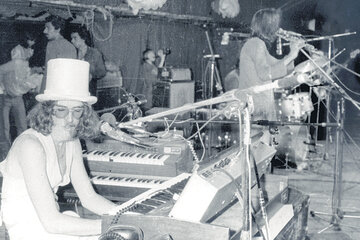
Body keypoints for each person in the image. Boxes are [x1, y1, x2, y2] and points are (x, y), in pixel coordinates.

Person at [0, 58, 118, 240]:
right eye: (62, 110)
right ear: (47, 110)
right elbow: (51, 222)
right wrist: (111, 226)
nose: (70, 119)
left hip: (51, 223)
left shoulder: (71, 142)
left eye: (77, 110)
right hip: (26, 228)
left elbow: (88, 198)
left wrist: (125, 216)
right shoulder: (31, 145)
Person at [238, 8, 309, 122]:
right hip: (256, 107)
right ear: (268, 25)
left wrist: (293, 51)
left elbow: (279, 67)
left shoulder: (255, 44)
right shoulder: (256, 44)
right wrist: (291, 55)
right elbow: (265, 74)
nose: (278, 29)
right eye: (276, 24)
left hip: (258, 106)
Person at [0, 43, 42, 143]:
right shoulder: (16, 62)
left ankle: (20, 147)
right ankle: (5, 153)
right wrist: (2, 87)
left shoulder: (25, 64)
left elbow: (23, 80)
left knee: (21, 125)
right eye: (29, 48)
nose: (31, 51)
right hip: (6, 98)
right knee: (5, 127)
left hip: (18, 98)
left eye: (32, 48)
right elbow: (0, 70)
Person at [40, 15, 77, 93]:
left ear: (58, 30)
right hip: (48, 93)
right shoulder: (50, 44)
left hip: (59, 94)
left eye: (48, 28)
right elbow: (47, 74)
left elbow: (65, 77)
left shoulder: (67, 47)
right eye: (45, 28)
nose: (44, 31)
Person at [71, 26, 106, 96]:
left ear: (83, 38)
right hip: (73, 89)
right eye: (71, 38)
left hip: (89, 90)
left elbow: (102, 72)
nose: (72, 41)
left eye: (75, 38)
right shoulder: (71, 53)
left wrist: (92, 75)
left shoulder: (95, 53)